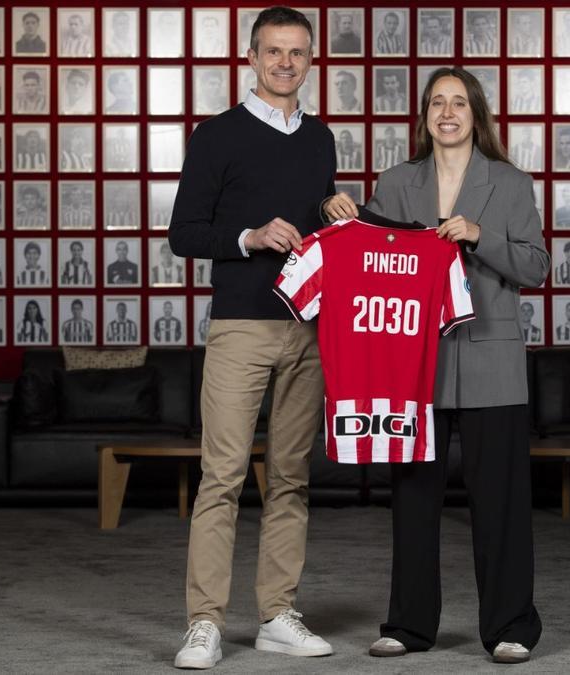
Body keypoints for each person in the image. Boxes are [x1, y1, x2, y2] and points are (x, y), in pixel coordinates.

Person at [322, 66, 549, 665]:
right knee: (413, 502)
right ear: (424, 116)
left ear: (476, 115)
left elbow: (535, 266)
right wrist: (336, 211)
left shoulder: (510, 182)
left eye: (459, 103)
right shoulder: (398, 181)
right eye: (437, 103)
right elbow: (367, 246)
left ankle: (512, 626)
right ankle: (409, 625)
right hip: (413, 365)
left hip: (491, 361)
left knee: (499, 503)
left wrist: (479, 235)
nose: (447, 113)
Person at [166, 8, 336, 668]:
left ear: (310, 60)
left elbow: (318, 231)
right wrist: (249, 236)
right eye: (273, 51)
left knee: (291, 477)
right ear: (251, 57)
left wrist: (335, 212)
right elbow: (183, 233)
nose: (285, 63)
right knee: (222, 477)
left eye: (297, 52)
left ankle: (276, 614)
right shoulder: (217, 135)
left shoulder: (320, 139)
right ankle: (204, 621)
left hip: (308, 328)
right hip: (240, 325)